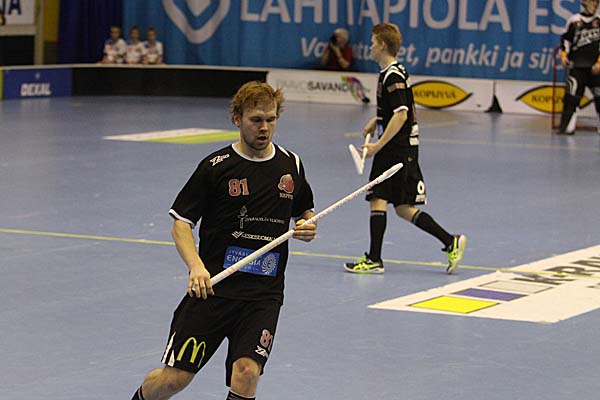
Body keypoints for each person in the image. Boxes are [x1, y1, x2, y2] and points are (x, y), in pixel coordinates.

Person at [130, 81, 317, 400]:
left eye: (271, 119)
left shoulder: (291, 165)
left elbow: (305, 211)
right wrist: (195, 266)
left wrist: (307, 225)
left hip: (263, 295)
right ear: (237, 119)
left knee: (247, 372)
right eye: (256, 120)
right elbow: (181, 224)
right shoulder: (215, 167)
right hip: (213, 290)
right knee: (174, 380)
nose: (264, 128)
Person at [343, 23, 466, 275]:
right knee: (402, 208)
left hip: (395, 150)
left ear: (382, 45)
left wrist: (377, 145)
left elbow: (401, 114)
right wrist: (377, 120)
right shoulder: (394, 71)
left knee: (377, 198)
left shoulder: (393, 75)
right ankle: (450, 241)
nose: (370, 46)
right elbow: (398, 109)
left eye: (373, 42)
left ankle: (374, 259)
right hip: (403, 149)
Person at [557, 0, 600, 135]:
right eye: (592, 2)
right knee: (571, 96)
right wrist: (564, 56)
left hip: (595, 68)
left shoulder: (599, 21)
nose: (595, 5)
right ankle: (567, 127)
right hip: (577, 66)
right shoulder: (574, 20)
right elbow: (565, 40)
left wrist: (599, 62)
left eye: (596, 3)